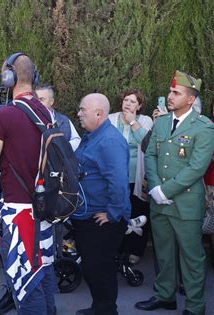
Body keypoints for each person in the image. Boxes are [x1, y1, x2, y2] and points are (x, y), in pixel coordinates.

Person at [0, 52, 57, 315]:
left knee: (25, 285)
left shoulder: (4, 116)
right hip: (43, 208)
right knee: (43, 273)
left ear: (8, 77)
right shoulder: (45, 111)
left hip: (19, 213)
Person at [136, 71, 214, 315]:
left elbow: (196, 168)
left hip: (186, 204)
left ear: (191, 99)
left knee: (192, 258)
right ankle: (165, 295)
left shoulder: (204, 127)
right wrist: (157, 189)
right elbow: (150, 154)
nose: (170, 96)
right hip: (161, 203)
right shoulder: (161, 122)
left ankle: (195, 306)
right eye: (170, 91)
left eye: (176, 93)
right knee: (164, 253)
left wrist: (164, 190)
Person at [72, 93, 131, 315]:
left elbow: (118, 183)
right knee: (92, 266)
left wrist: (113, 213)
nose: (78, 114)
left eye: (82, 110)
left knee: (100, 268)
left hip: (102, 219)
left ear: (99, 113)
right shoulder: (92, 135)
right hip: (87, 215)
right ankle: (100, 307)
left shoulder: (109, 141)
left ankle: (106, 310)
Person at [108, 88, 153, 264]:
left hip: (138, 177)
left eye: (133, 101)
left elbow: (148, 145)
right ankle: (117, 248)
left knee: (139, 213)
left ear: (139, 105)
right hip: (115, 178)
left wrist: (133, 122)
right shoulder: (111, 119)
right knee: (117, 214)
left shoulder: (145, 121)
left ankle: (136, 250)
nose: (128, 103)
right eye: (126, 100)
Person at [35, 84, 81, 150]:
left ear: (51, 101)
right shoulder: (29, 119)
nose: (38, 103)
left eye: (41, 99)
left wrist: (62, 149)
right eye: (36, 100)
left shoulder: (64, 120)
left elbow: (76, 140)